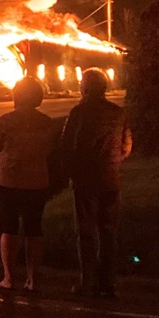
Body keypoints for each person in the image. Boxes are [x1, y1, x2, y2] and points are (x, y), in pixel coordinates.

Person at [61, 67, 133, 298]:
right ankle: (108, 282)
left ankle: (88, 282)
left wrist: (72, 171)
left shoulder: (79, 112)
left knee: (86, 232)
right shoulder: (118, 113)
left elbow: (67, 146)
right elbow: (126, 145)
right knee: (108, 231)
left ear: (86, 87)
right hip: (111, 179)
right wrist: (113, 161)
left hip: (86, 180)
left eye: (82, 83)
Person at [0, 76, 59, 292]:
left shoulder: (7, 120)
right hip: (36, 181)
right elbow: (50, 149)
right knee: (33, 228)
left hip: (7, 180)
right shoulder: (46, 122)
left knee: (8, 226)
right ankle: (32, 279)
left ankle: (9, 277)